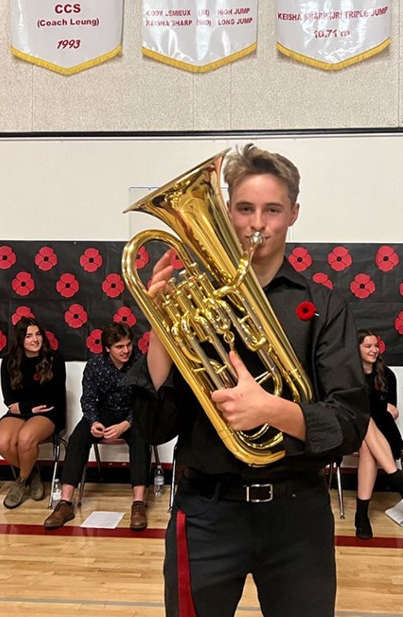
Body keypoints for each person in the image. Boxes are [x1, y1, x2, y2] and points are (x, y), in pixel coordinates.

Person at [124, 144, 368, 617]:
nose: (258, 223)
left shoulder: (324, 307)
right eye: (244, 208)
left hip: (297, 515)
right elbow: (154, 429)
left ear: (293, 214)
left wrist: (270, 411)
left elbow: (350, 424)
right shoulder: (193, 303)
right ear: (226, 212)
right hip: (206, 512)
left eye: (272, 210)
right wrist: (159, 331)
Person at [43, 322, 151, 530]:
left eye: (128, 345)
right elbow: (88, 399)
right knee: (78, 438)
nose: (126, 350)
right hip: (103, 413)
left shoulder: (140, 363)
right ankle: (65, 503)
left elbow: (144, 401)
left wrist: (125, 424)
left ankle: (138, 503)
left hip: (132, 414)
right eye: (120, 347)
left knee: (141, 438)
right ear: (107, 348)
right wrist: (93, 422)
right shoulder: (95, 365)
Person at [354, 329, 403, 539]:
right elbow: (352, 410)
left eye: (376, 346)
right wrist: (379, 408)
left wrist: (378, 409)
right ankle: (400, 482)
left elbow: (390, 411)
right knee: (365, 421)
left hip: (382, 436)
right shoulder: (348, 374)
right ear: (356, 349)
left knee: (368, 445)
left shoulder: (387, 374)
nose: (374, 350)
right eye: (368, 346)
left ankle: (361, 515)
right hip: (351, 432)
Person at [0, 317, 67, 509]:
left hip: (49, 412)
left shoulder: (54, 359)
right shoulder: (8, 361)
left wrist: (24, 406)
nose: (35, 340)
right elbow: (9, 400)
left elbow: (52, 396)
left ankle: (20, 481)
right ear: (20, 340)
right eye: (28, 336)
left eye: (38, 334)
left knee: (26, 438)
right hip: (22, 412)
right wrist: (26, 408)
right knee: (1, 441)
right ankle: (32, 472)